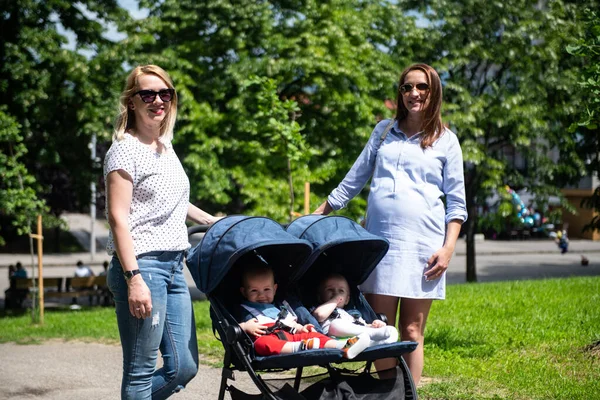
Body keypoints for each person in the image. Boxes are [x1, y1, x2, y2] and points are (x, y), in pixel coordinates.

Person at [313, 63, 467, 384]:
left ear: (434, 92)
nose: (414, 93)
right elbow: (352, 181)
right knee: (380, 327)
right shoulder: (383, 131)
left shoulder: (446, 141)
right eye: (407, 87)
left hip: (424, 249)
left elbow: (457, 203)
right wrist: (317, 214)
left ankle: (408, 393)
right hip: (381, 246)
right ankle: (389, 392)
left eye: (422, 87)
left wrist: (449, 247)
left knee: (411, 330)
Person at [104, 64, 219, 399]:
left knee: (183, 366)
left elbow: (176, 202)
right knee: (140, 373)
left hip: (172, 267)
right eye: (148, 93)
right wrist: (134, 277)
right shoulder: (125, 149)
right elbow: (117, 218)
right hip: (142, 268)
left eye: (165, 93)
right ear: (131, 102)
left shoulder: (165, 147)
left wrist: (215, 222)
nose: (158, 100)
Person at [237, 264, 370, 359]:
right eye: (254, 291)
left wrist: (302, 328)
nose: (261, 295)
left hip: (291, 335)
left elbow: (291, 324)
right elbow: (234, 327)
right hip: (269, 337)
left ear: (275, 289)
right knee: (261, 344)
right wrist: (245, 326)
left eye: (266, 290)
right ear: (244, 292)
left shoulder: (281, 307)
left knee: (315, 335)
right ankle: (299, 348)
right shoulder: (244, 308)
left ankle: (342, 346)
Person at [311, 273, 398, 346]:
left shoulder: (352, 314)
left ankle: (372, 342)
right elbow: (319, 315)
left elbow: (361, 326)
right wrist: (335, 300)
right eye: (330, 289)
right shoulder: (320, 309)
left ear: (347, 300)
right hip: (333, 340)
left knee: (391, 330)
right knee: (335, 324)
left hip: (354, 341)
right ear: (320, 297)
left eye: (341, 291)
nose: (336, 293)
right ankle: (371, 334)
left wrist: (373, 326)